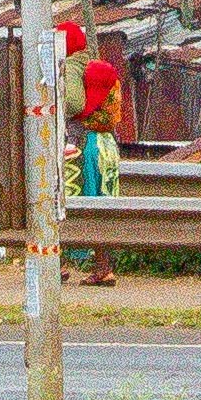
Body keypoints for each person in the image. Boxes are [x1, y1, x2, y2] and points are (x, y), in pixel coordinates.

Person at [64, 16, 128, 288]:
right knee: (103, 203)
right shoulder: (99, 67)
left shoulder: (71, 67)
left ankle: (59, 265)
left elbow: (74, 104)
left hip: (86, 144)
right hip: (109, 145)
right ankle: (104, 268)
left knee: (70, 201)